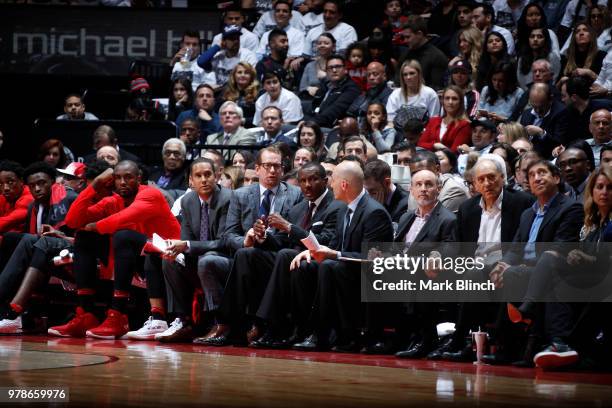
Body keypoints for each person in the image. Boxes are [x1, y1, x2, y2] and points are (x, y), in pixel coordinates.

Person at [46, 161, 181, 340]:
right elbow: (72, 220)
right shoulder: (113, 201)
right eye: (118, 178)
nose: (122, 182)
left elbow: (123, 218)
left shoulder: (151, 194)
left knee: (123, 235)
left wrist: (95, 226)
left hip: (167, 251)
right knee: (83, 237)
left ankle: (118, 314)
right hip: (136, 256)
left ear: (139, 179)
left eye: (128, 177)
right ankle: (87, 314)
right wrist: (95, 185)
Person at [429, 156, 534, 361]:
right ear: (474, 184)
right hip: (474, 265)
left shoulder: (521, 203)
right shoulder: (468, 208)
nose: (487, 183)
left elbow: (523, 241)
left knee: (474, 274)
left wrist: (508, 263)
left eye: (491, 177)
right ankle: (426, 339)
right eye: (481, 179)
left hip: (504, 264)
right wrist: (438, 255)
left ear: (503, 178)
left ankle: (462, 341)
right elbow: (455, 244)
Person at [195, 146, 302, 346]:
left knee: (247, 256)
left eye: (277, 166)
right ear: (258, 168)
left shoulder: (295, 194)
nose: (272, 171)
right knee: (239, 255)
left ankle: (228, 324)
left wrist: (267, 239)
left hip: (277, 256)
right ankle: (244, 325)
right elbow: (228, 235)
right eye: (268, 166)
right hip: (247, 253)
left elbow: (295, 234)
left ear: (283, 169)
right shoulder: (241, 195)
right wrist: (247, 238)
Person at [487, 160, 583, 365]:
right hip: (527, 270)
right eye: (531, 175)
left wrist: (521, 267)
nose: (537, 178)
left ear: (556, 178)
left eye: (542, 173)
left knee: (520, 274)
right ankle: (516, 345)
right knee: (503, 272)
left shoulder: (570, 207)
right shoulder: (527, 213)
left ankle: (515, 336)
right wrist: (503, 264)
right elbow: (515, 249)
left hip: (555, 267)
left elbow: (561, 247)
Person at [291, 160, 394, 352]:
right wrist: (312, 250)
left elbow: (373, 258)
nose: (330, 185)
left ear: (344, 185)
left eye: (333, 180)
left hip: (369, 277)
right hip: (346, 270)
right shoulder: (343, 209)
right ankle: (303, 330)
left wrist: (335, 254)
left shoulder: (374, 213)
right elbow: (335, 245)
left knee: (330, 266)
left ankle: (328, 334)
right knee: (304, 265)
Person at [154, 158, 233, 343]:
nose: (204, 179)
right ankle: (184, 320)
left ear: (217, 176)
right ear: (191, 180)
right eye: (199, 175)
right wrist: (176, 249)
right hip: (200, 258)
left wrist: (187, 246)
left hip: (225, 259)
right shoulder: (188, 200)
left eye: (208, 174)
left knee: (208, 260)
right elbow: (186, 238)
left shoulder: (228, 199)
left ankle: (219, 323)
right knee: (170, 259)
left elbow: (224, 242)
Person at [393, 169, 457, 358]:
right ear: (411, 190)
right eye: (418, 185)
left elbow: (447, 253)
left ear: (438, 188)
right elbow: (397, 250)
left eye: (429, 184)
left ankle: (423, 339)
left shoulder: (448, 219)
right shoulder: (407, 217)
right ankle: (376, 336)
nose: (423, 189)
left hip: (431, 275)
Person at [307, 54, 361, 128]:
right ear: (326, 71)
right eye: (330, 68)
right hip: (316, 120)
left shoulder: (351, 89)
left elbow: (333, 112)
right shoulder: (326, 84)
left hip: (331, 127)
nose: (334, 70)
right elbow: (315, 104)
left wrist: (309, 123)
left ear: (345, 69)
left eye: (338, 67)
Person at [396, 16, 449, 90]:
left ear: (419, 34)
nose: (405, 41)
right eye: (404, 37)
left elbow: (436, 87)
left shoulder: (437, 57)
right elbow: (398, 81)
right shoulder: (404, 55)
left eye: (408, 37)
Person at [518, 82, 569, 159]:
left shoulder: (562, 113)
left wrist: (541, 133)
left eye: (541, 107)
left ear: (550, 99)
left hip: (547, 157)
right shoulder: (527, 113)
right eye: (534, 106)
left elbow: (559, 144)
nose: (537, 111)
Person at [417, 85, 471, 154]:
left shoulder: (464, 125)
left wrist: (433, 147)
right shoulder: (433, 121)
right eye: (447, 98)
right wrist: (434, 145)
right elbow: (420, 144)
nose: (450, 102)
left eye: (454, 99)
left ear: (461, 102)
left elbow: (454, 152)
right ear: (442, 101)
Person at [386, 60, 440, 124]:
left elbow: (433, 120)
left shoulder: (430, 94)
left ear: (419, 74)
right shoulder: (395, 94)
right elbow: (390, 120)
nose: (408, 77)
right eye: (405, 75)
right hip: (398, 131)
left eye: (412, 73)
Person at [562, 75, 612, 144]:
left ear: (574, 97)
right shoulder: (568, 113)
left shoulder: (605, 107)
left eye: (564, 96)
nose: (562, 99)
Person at [346, 61, 393, 127]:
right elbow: (350, 112)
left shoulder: (390, 95)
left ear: (384, 76)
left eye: (375, 74)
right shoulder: (364, 95)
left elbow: (381, 118)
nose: (371, 78)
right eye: (368, 75)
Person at [299, 33, 336, 97]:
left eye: (326, 43)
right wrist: (308, 89)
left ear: (333, 46)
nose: (322, 45)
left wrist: (326, 77)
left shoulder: (338, 64)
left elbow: (340, 86)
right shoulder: (309, 65)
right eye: (319, 43)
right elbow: (302, 88)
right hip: (312, 99)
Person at [0, 161, 33, 233]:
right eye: (1, 184)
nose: (5, 188)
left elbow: (8, 221)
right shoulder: (4, 197)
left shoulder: (29, 198)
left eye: (10, 182)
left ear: (21, 181)